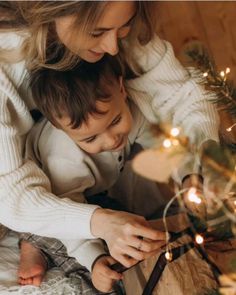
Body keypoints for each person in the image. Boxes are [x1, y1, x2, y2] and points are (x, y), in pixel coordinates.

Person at [0, 0, 219, 290]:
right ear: (52, 11)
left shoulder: (118, 41)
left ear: (121, 87)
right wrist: (98, 228)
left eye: (123, 27)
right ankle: (33, 243)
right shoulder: (60, 151)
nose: (113, 47)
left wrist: (194, 171)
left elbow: (185, 97)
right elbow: (13, 194)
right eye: (97, 32)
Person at [20, 55, 165, 292]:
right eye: (91, 138)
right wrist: (94, 261)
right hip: (51, 201)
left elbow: (163, 143)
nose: (111, 140)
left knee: (132, 230)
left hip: (90, 192)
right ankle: (31, 242)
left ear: (121, 89)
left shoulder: (135, 109)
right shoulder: (64, 158)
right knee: (95, 270)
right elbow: (65, 216)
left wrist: (188, 176)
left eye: (116, 120)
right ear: (60, 129)